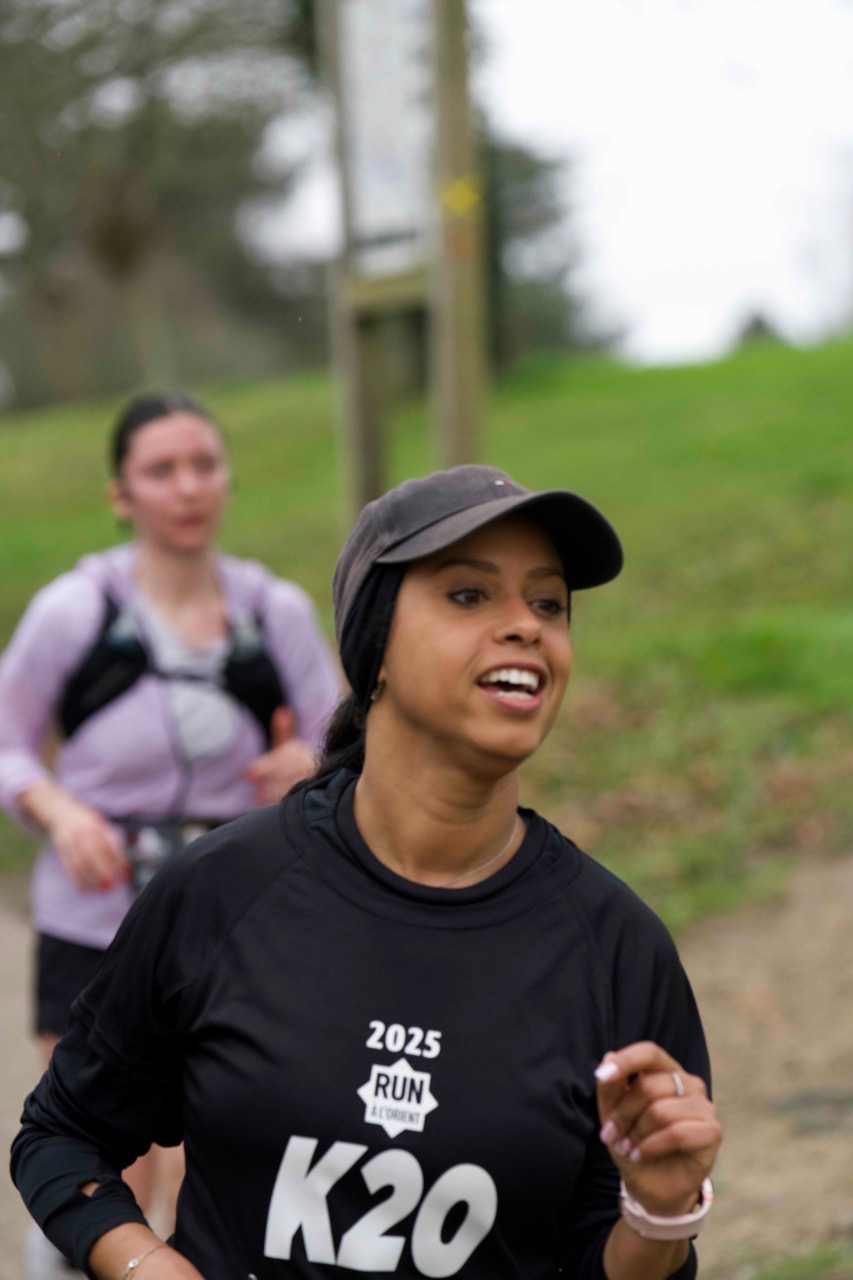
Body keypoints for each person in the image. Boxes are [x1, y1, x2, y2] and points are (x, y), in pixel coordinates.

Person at [11, 463, 722, 1280]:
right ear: (374, 647)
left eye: (548, 603)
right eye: (469, 595)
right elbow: (62, 1135)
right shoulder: (221, 892)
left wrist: (658, 1214)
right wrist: (144, 1265)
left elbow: (614, 1262)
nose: (524, 627)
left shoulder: (618, 949)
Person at [0, 392, 341, 1275]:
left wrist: (309, 763)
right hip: (92, 915)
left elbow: (349, 745)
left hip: (230, 921)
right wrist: (61, 812)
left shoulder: (274, 613)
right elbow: (7, 743)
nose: (188, 487)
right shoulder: (75, 611)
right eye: (161, 470)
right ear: (121, 493)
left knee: (207, 1164)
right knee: (99, 1162)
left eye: (204, 465)